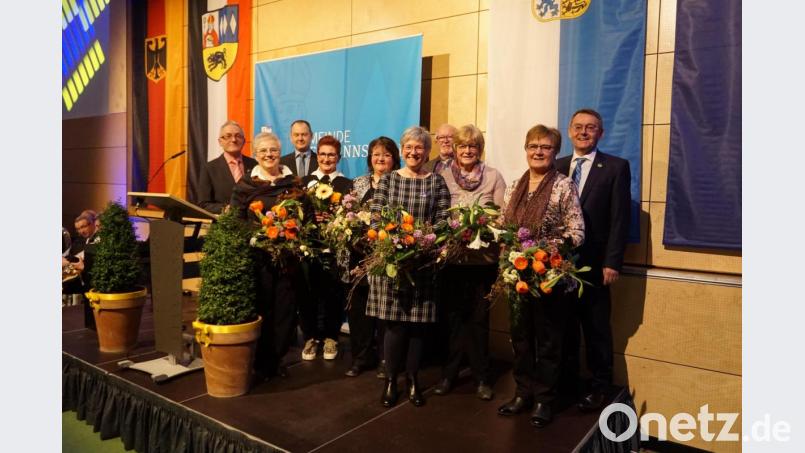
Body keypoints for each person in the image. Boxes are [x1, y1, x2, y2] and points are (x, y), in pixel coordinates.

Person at [497, 124, 584, 428]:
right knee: (521, 339)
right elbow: (504, 227)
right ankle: (523, 393)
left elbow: (577, 232)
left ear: (555, 152)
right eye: (533, 146)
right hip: (518, 276)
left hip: (550, 279)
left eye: (545, 147)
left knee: (548, 341)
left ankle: (544, 400)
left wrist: (544, 251)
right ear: (526, 149)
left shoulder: (564, 186)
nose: (538, 152)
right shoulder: (514, 186)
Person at [367, 126, 450, 408]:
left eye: (420, 147)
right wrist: (395, 243)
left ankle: (413, 379)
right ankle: (391, 380)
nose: (414, 152)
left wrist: (422, 243)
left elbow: (442, 220)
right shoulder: (389, 180)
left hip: (423, 262)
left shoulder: (436, 182)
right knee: (394, 326)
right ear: (402, 150)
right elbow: (376, 218)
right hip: (392, 263)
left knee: (417, 327)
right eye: (409, 147)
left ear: (427, 152)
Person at [555, 108, 631, 411]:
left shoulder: (615, 167)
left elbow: (620, 219)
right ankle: (569, 383)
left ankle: (600, 388)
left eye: (590, 127)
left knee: (596, 328)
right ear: (569, 131)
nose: (583, 132)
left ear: (601, 133)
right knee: (566, 327)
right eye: (578, 127)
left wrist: (612, 262)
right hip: (559, 265)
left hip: (596, 265)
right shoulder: (557, 165)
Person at [432, 124, 507, 401]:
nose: (467, 150)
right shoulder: (442, 176)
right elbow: (438, 213)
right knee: (452, 319)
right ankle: (449, 374)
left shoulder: (493, 176)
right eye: (462, 146)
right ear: (455, 148)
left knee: (478, 320)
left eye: (472, 146)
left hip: (483, 261)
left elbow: (501, 217)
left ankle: (482, 378)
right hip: (453, 261)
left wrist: (480, 226)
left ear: (479, 149)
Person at [230, 131, 305, 380]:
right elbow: (236, 220)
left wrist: (294, 233)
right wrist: (258, 235)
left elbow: (306, 215)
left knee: (286, 309)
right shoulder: (245, 186)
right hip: (259, 258)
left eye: (273, 150)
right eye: (263, 151)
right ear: (255, 154)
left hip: (287, 259)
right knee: (262, 308)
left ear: (280, 153)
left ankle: (277, 359)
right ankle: (260, 361)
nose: (269, 155)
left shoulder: (292, 182)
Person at [344, 136, 401, 378]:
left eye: (386, 155)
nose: (381, 159)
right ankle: (360, 357)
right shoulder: (358, 183)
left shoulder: (399, 183)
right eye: (376, 154)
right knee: (359, 311)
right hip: (358, 256)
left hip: (385, 255)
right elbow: (347, 214)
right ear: (370, 158)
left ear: (394, 159)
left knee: (384, 310)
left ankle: (385, 359)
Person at [300, 136, 353, 361]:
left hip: (335, 249)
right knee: (309, 294)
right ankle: (310, 337)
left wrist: (333, 220)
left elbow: (351, 215)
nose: (326, 158)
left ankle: (331, 337)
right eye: (322, 154)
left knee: (333, 293)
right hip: (309, 248)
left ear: (338, 157)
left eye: (331, 154)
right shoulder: (305, 182)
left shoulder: (346, 184)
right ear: (317, 156)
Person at [198, 120, 258, 214]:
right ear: (220, 142)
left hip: (253, 220)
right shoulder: (209, 168)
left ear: (244, 141)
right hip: (224, 221)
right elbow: (203, 204)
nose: (233, 140)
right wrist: (226, 209)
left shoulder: (255, 165)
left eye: (238, 136)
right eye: (228, 136)